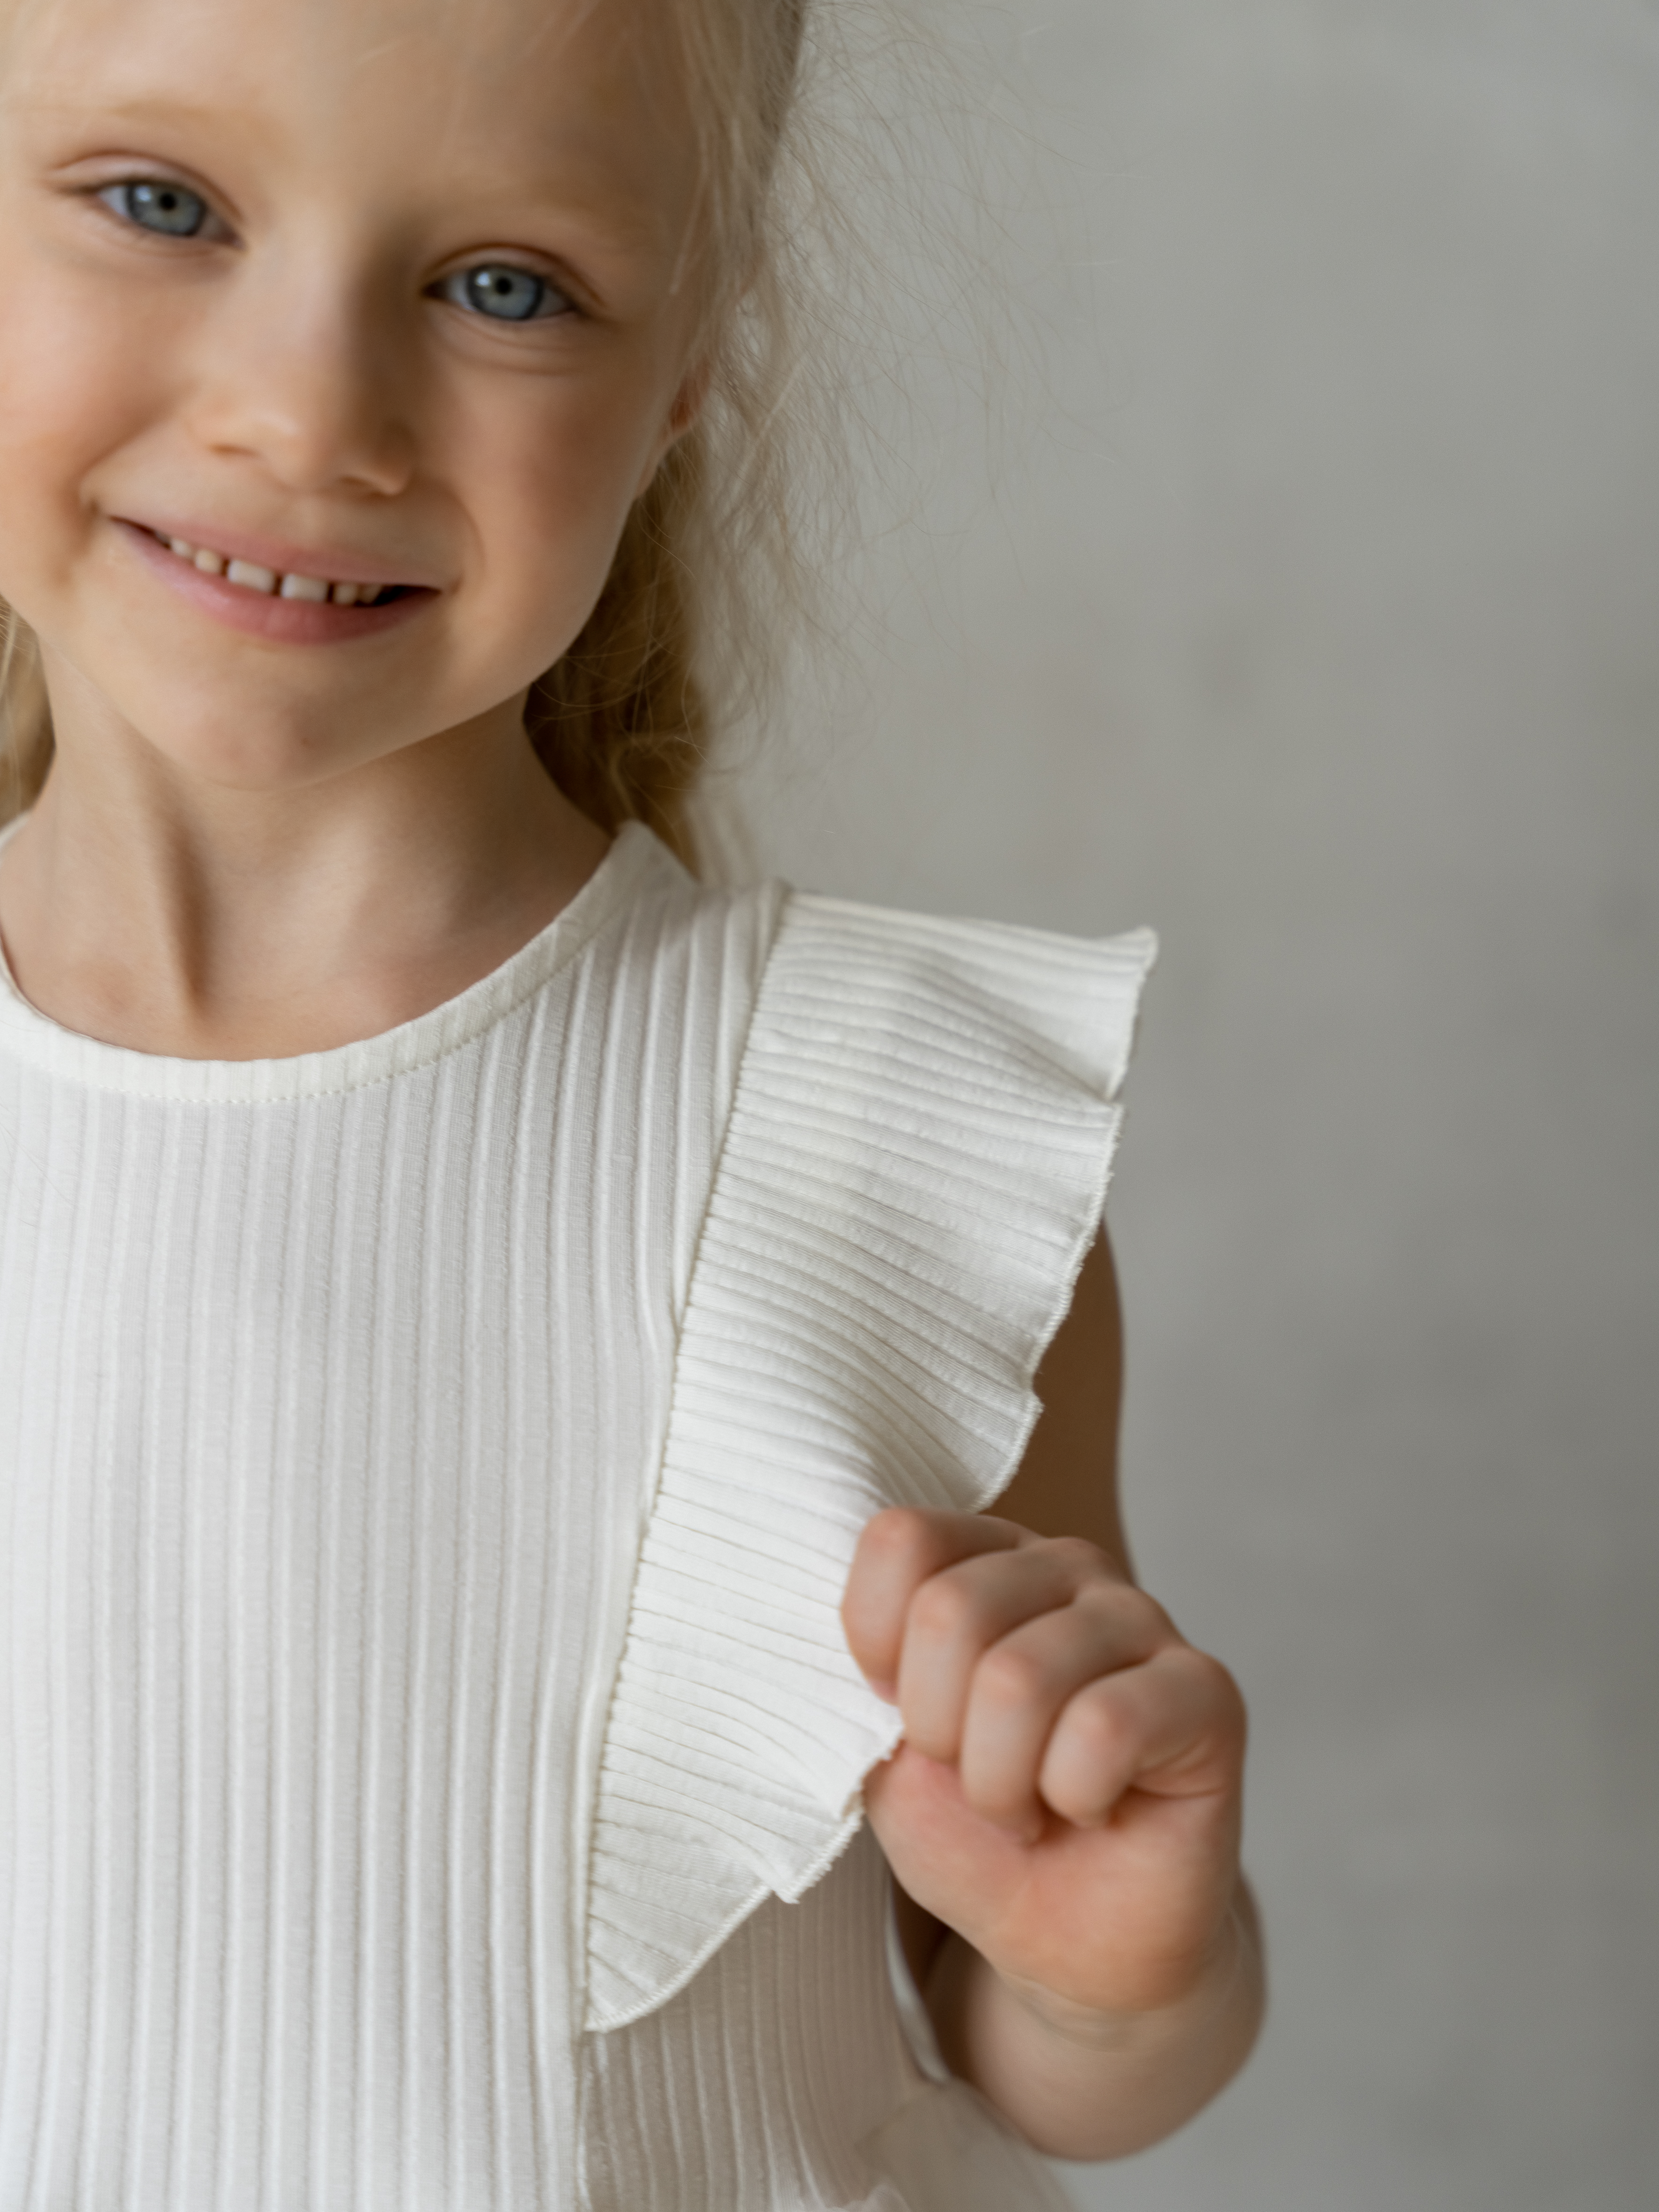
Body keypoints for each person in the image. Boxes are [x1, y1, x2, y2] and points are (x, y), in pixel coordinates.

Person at [0, 0, 1262, 2203]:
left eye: (505, 285)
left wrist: (1108, 1976)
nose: (308, 413)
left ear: (687, 362)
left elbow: (1041, 2026)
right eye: (159, 204)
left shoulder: (873, 1146)